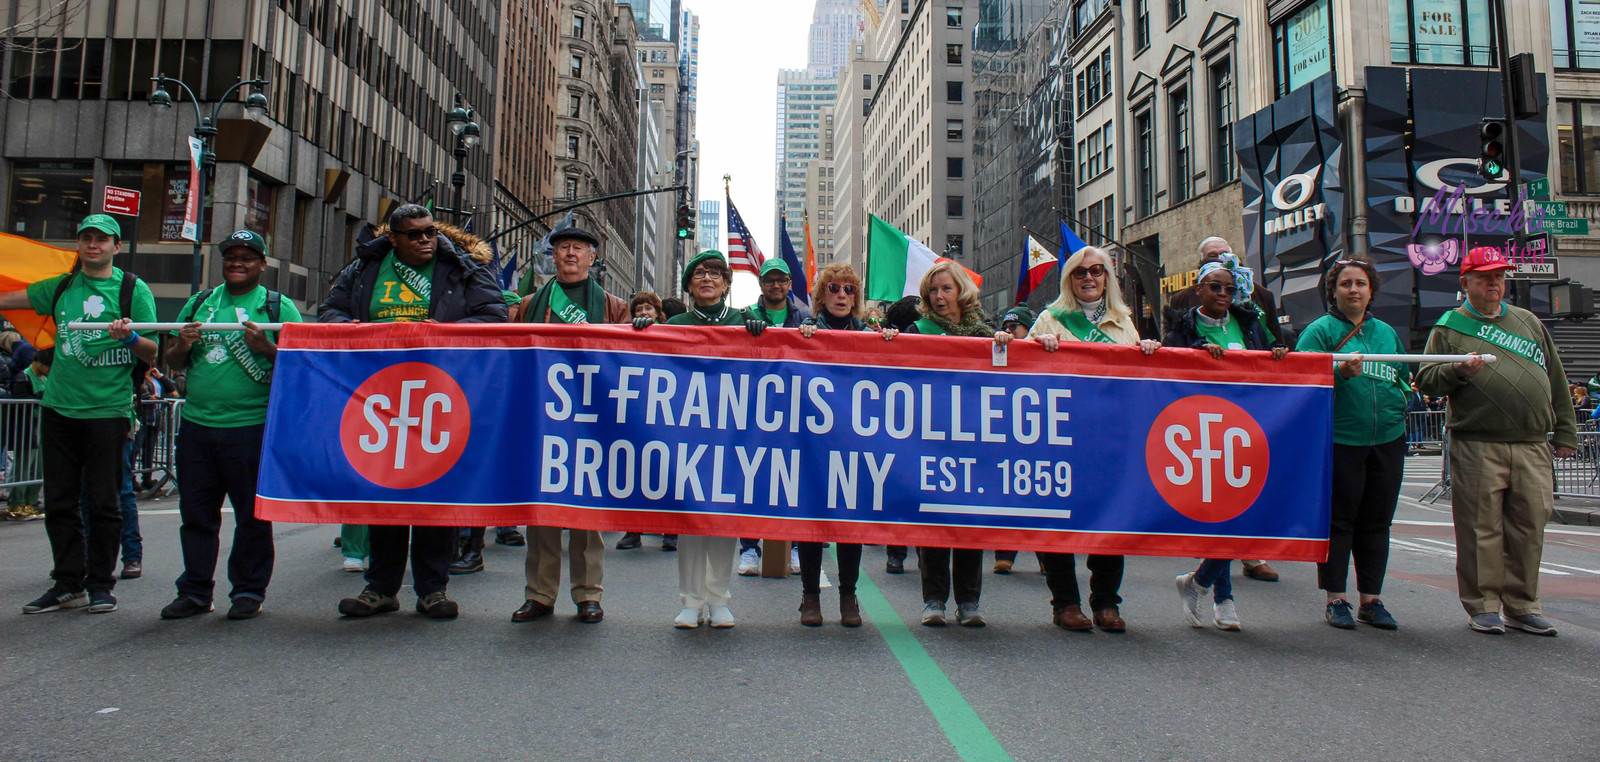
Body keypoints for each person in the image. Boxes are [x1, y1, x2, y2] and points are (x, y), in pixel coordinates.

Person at [323, 203, 507, 620]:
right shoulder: (364, 268)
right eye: (415, 235)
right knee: (384, 492)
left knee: (434, 492)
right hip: (380, 398)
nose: (426, 240)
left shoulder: (462, 268)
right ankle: (380, 588)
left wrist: (440, 335)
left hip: (441, 395)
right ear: (393, 239)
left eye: (430, 232)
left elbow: (494, 317)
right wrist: (349, 327)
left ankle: (432, 590)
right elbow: (331, 311)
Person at [1415, 246, 1578, 636]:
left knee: (1529, 526)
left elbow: (1555, 378)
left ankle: (1522, 604)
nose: (1494, 283)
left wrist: (1567, 431)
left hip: (1532, 443)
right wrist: (1458, 372)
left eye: (1499, 276)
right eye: (1485, 276)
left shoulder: (1528, 321)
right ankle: (1483, 604)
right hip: (1477, 441)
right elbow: (1427, 381)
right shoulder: (1449, 327)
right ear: (1465, 282)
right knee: (1479, 527)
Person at [0, 214, 158, 615]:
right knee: (59, 502)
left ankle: (101, 584)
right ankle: (67, 581)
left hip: (108, 411)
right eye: (86, 238)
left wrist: (133, 336)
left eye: (102, 240)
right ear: (79, 245)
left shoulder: (131, 289)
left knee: (104, 502)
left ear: (115, 247)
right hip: (58, 410)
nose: (93, 245)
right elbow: (8, 300)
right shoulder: (62, 287)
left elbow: (153, 351)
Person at [1001, 247, 1161, 631]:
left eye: (1097, 271)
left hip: (1111, 437)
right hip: (1060, 435)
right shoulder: (1050, 318)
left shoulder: (1124, 321)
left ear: (1108, 278)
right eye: (1079, 272)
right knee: (1057, 519)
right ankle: (1066, 603)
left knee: (1111, 520)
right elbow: (1021, 374)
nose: (1089, 278)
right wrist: (1039, 349)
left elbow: (1137, 377)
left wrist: (1148, 351)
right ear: (1069, 279)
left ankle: (1106, 602)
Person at [158, 229, 304, 621]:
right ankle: (194, 591)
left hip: (251, 427)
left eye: (247, 257)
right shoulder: (201, 303)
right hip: (197, 427)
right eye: (231, 257)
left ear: (262, 264)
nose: (237, 263)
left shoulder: (278, 307)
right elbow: (173, 361)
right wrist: (183, 345)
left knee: (252, 517)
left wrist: (267, 349)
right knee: (197, 515)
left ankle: (248, 591)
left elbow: (299, 367)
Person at [635, 250, 762, 628]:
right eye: (699, 274)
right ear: (690, 285)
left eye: (715, 274)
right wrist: (642, 332)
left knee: (723, 518)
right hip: (686, 433)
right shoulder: (676, 322)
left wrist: (760, 331)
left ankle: (719, 598)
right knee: (690, 518)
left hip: (731, 431)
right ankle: (690, 601)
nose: (707, 279)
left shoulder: (743, 320)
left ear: (725, 283)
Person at [510, 226, 626, 625]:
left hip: (592, 422)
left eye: (578, 248)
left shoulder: (613, 306)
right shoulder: (528, 305)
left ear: (593, 258)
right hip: (542, 419)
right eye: (563, 248)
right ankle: (539, 594)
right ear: (553, 257)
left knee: (587, 515)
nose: (570, 254)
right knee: (542, 512)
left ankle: (588, 594)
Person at [1168, 257, 1288, 631]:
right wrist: (1198, 355)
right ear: (1199, 290)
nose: (1223, 294)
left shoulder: (1250, 322)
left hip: (1250, 429)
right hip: (1202, 431)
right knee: (1219, 515)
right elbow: (1169, 372)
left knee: (1247, 513)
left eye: (1229, 288)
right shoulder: (1182, 329)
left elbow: (1273, 356)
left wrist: (1278, 355)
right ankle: (1225, 601)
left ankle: (1200, 581)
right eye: (1215, 287)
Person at [1295, 256, 1408, 630]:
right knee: (1340, 521)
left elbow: (1401, 377)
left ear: (1371, 290)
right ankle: (1336, 598)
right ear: (1334, 291)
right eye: (1346, 284)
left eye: (1360, 283)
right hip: (1341, 440)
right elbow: (1301, 379)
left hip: (1387, 440)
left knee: (1378, 522)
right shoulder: (1320, 330)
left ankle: (1372, 600)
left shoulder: (1386, 333)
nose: (1354, 290)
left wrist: (1399, 405)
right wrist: (1340, 372)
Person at [792, 263, 896, 627]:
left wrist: (893, 343)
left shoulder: (871, 334)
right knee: (813, 520)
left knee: (850, 521)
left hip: (855, 442)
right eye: (834, 288)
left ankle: (848, 596)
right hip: (813, 442)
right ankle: (810, 596)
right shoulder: (804, 331)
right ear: (821, 295)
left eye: (849, 290)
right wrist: (797, 338)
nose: (841, 296)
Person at [903, 261, 992, 627]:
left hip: (975, 438)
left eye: (946, 290)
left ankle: (969, 601)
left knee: (970, 519)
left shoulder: (986, 333)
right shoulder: (916, 331)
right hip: (931, 437)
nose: (939, 297)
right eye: (933, 292)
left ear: (961, 292)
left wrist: (1007, 346)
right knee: (934, 518)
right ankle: (934, 599)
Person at [616, 291, 678, 552]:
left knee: (668, 472)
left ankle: (672, 531)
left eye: (648, 309)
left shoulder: (672, 334)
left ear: (658, 313)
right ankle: (633, 530)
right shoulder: (626, 335)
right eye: (638, 309)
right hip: (637, 413)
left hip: (667, 413)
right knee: (636, 472)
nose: (643, 313)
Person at [991, 303, 1038, 575]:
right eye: (1006, 326)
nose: (1009, 330)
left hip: (1038, 432)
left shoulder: (1041, 348)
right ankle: (1005, 551)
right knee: (1007, 493)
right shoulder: (1000, 350)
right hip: (1008, 432)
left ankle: (1046, 554)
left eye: (1015, 326)